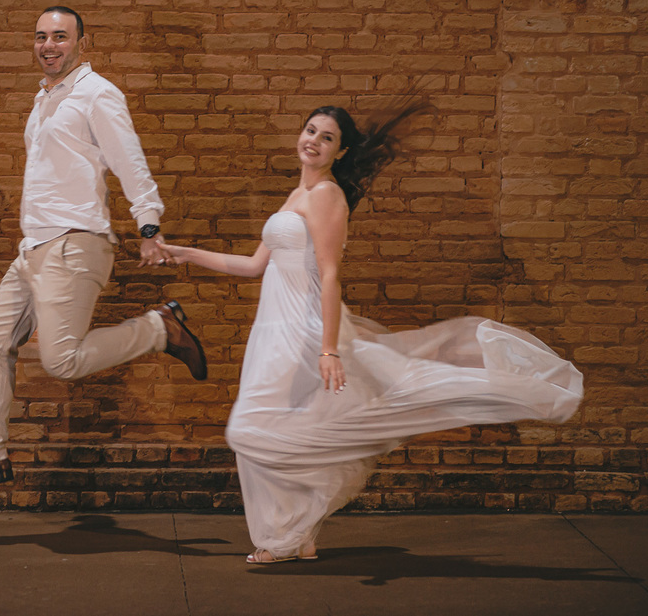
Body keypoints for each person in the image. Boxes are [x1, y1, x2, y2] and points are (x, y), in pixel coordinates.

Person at [162, 103, 584, 563]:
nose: (313, 141)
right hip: (274, 327)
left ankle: (293, 528)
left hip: (303, 328)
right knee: (283, 427)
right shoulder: (298, 194)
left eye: (326, 137)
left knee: (250, 431)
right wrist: (185, 253)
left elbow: (329, 274)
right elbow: (253, 265)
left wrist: (328, 348)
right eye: (310, 130)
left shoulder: (326, 195)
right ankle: (299, 536)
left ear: (340, 152)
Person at [0, 6, 206, 497]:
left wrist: (148, 224)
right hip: (34, 246)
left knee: (61, 361)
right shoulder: (44, 98)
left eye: (60, 36)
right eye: (41, 37)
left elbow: (130, 160)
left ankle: (159, 328)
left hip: (74, 243)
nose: (49, 45)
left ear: (83, 42)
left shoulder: (97, 93)